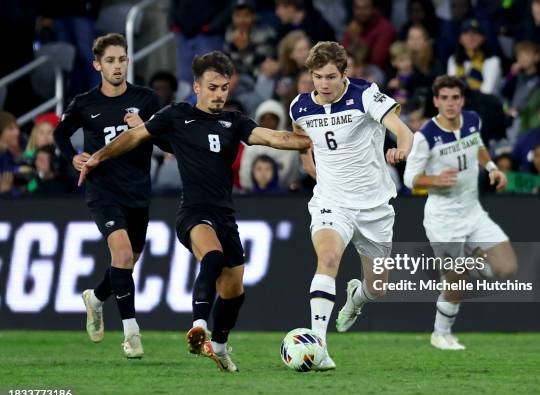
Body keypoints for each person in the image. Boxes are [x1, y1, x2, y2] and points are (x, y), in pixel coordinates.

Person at [78, 51, 310, 372]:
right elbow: (135, 136)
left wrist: (309, 140)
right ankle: (198, 325)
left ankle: (219, 344)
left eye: (224, 88)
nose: (219, 95)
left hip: (225, 216)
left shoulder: (235, 121)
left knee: (234, 290)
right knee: (212, 257)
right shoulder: (176, 115)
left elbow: (273, 137)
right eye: (212, 87)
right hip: (193, 213)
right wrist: (98, 157)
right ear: (197, 87)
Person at [290, 41, 415, 369]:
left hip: (374, 207)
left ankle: (356, 299)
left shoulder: (365, 95)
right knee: (328, 258)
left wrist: (401, 148)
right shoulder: (300, 106)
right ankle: (319, 347)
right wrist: (307, 160)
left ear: (345, 73)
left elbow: (403, 130)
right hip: (332, 202)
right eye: (318, 77)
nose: (324, 84)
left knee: (378, 289)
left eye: (331, 76)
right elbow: (299, 133)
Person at [53, 33, 167, 359]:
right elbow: (60, 133)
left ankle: (96, 299)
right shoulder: (85, 103)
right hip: (103, 190)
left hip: (138, 192)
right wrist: (71, 156)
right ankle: (131, 334)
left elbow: (167, 142)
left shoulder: (146, 99)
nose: (117, 66)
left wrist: (146, 126)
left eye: (122, 59)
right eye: (110, 60)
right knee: (123, 254)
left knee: (125, 263)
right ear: (97, 64)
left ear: (128, 61)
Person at [403, 75, 517, 350]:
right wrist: (435, 180)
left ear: (462, 100)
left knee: (507, 267)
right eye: (444, 98)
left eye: (455, 98)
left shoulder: (473, 120)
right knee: (457, 281)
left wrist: (492, 169)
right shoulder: (425, 136)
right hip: (443, 219)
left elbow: (477, 146)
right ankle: (440, 334)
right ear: (436, 101)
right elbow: (410, 178)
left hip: (473, 212)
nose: (450, 103)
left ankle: (466, 262)